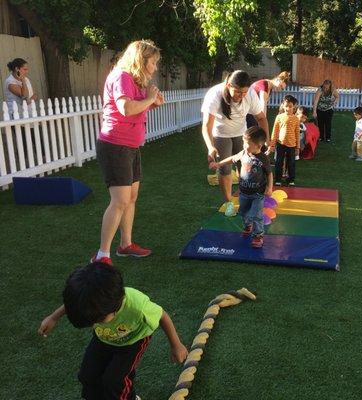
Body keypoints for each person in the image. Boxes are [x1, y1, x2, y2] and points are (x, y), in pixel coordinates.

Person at [38, 262, 188, 400]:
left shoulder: (138, 306)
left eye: (96, 320)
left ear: (113, 308)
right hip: (103, 339)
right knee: (87, 375)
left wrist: (176, 345)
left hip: (132, 341)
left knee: (115, 380)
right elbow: (75, 302)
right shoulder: (92, 299)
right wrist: (53, 317)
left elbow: (162, 315)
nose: (93, 324)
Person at [92, 40, 164, 265]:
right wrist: (150, 99)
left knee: (131, 197)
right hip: (115, 146)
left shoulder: (134, 80)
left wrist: (151, 102)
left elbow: (135, 107)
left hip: (131, 147)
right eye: (152, 63)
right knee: (120, 200)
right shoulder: (122, 76)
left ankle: (125, 244)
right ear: (140, 61)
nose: (154, 68)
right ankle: (102, 254)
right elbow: (126, 108)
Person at [201, 70, 269, 217]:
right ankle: (229, 203)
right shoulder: (215, 94)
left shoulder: (250, 94)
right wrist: (210, 146)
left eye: (244, 92)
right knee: (225, 169)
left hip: (241, 134)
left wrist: (265, 141)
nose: (241, 96)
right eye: (238, 92)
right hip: (221, 135)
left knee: (247, 167)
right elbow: (206, 125)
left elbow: (261, 119)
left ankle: (248, 199)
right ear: (228, 85)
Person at [209, 126, 273, 248]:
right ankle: (247, 225)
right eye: (243, 142)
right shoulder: (243, 153)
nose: (244, 145)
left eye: (247, 143)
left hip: (257, 194)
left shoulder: (263, 158)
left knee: (257, 215)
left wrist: (269, 188)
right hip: (243, 192)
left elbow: (269, 174)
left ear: (258, 146)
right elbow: (232, 159)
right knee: (243, 212)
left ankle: (258, 236)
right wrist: (218, 164)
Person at [270, 95, 300, 186]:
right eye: (286, 106)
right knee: (279, 162)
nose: (288, 108)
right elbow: (275, 131)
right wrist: (272, 144)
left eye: (290, 106)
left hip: (291, 145)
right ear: (283, 105)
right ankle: (278, 179)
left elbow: (297, 133)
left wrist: (297, 147)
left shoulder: (296, 119)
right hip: (280, 144)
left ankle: (291, 180)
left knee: (291, 163)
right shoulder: (279, 117)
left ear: (294, 107)